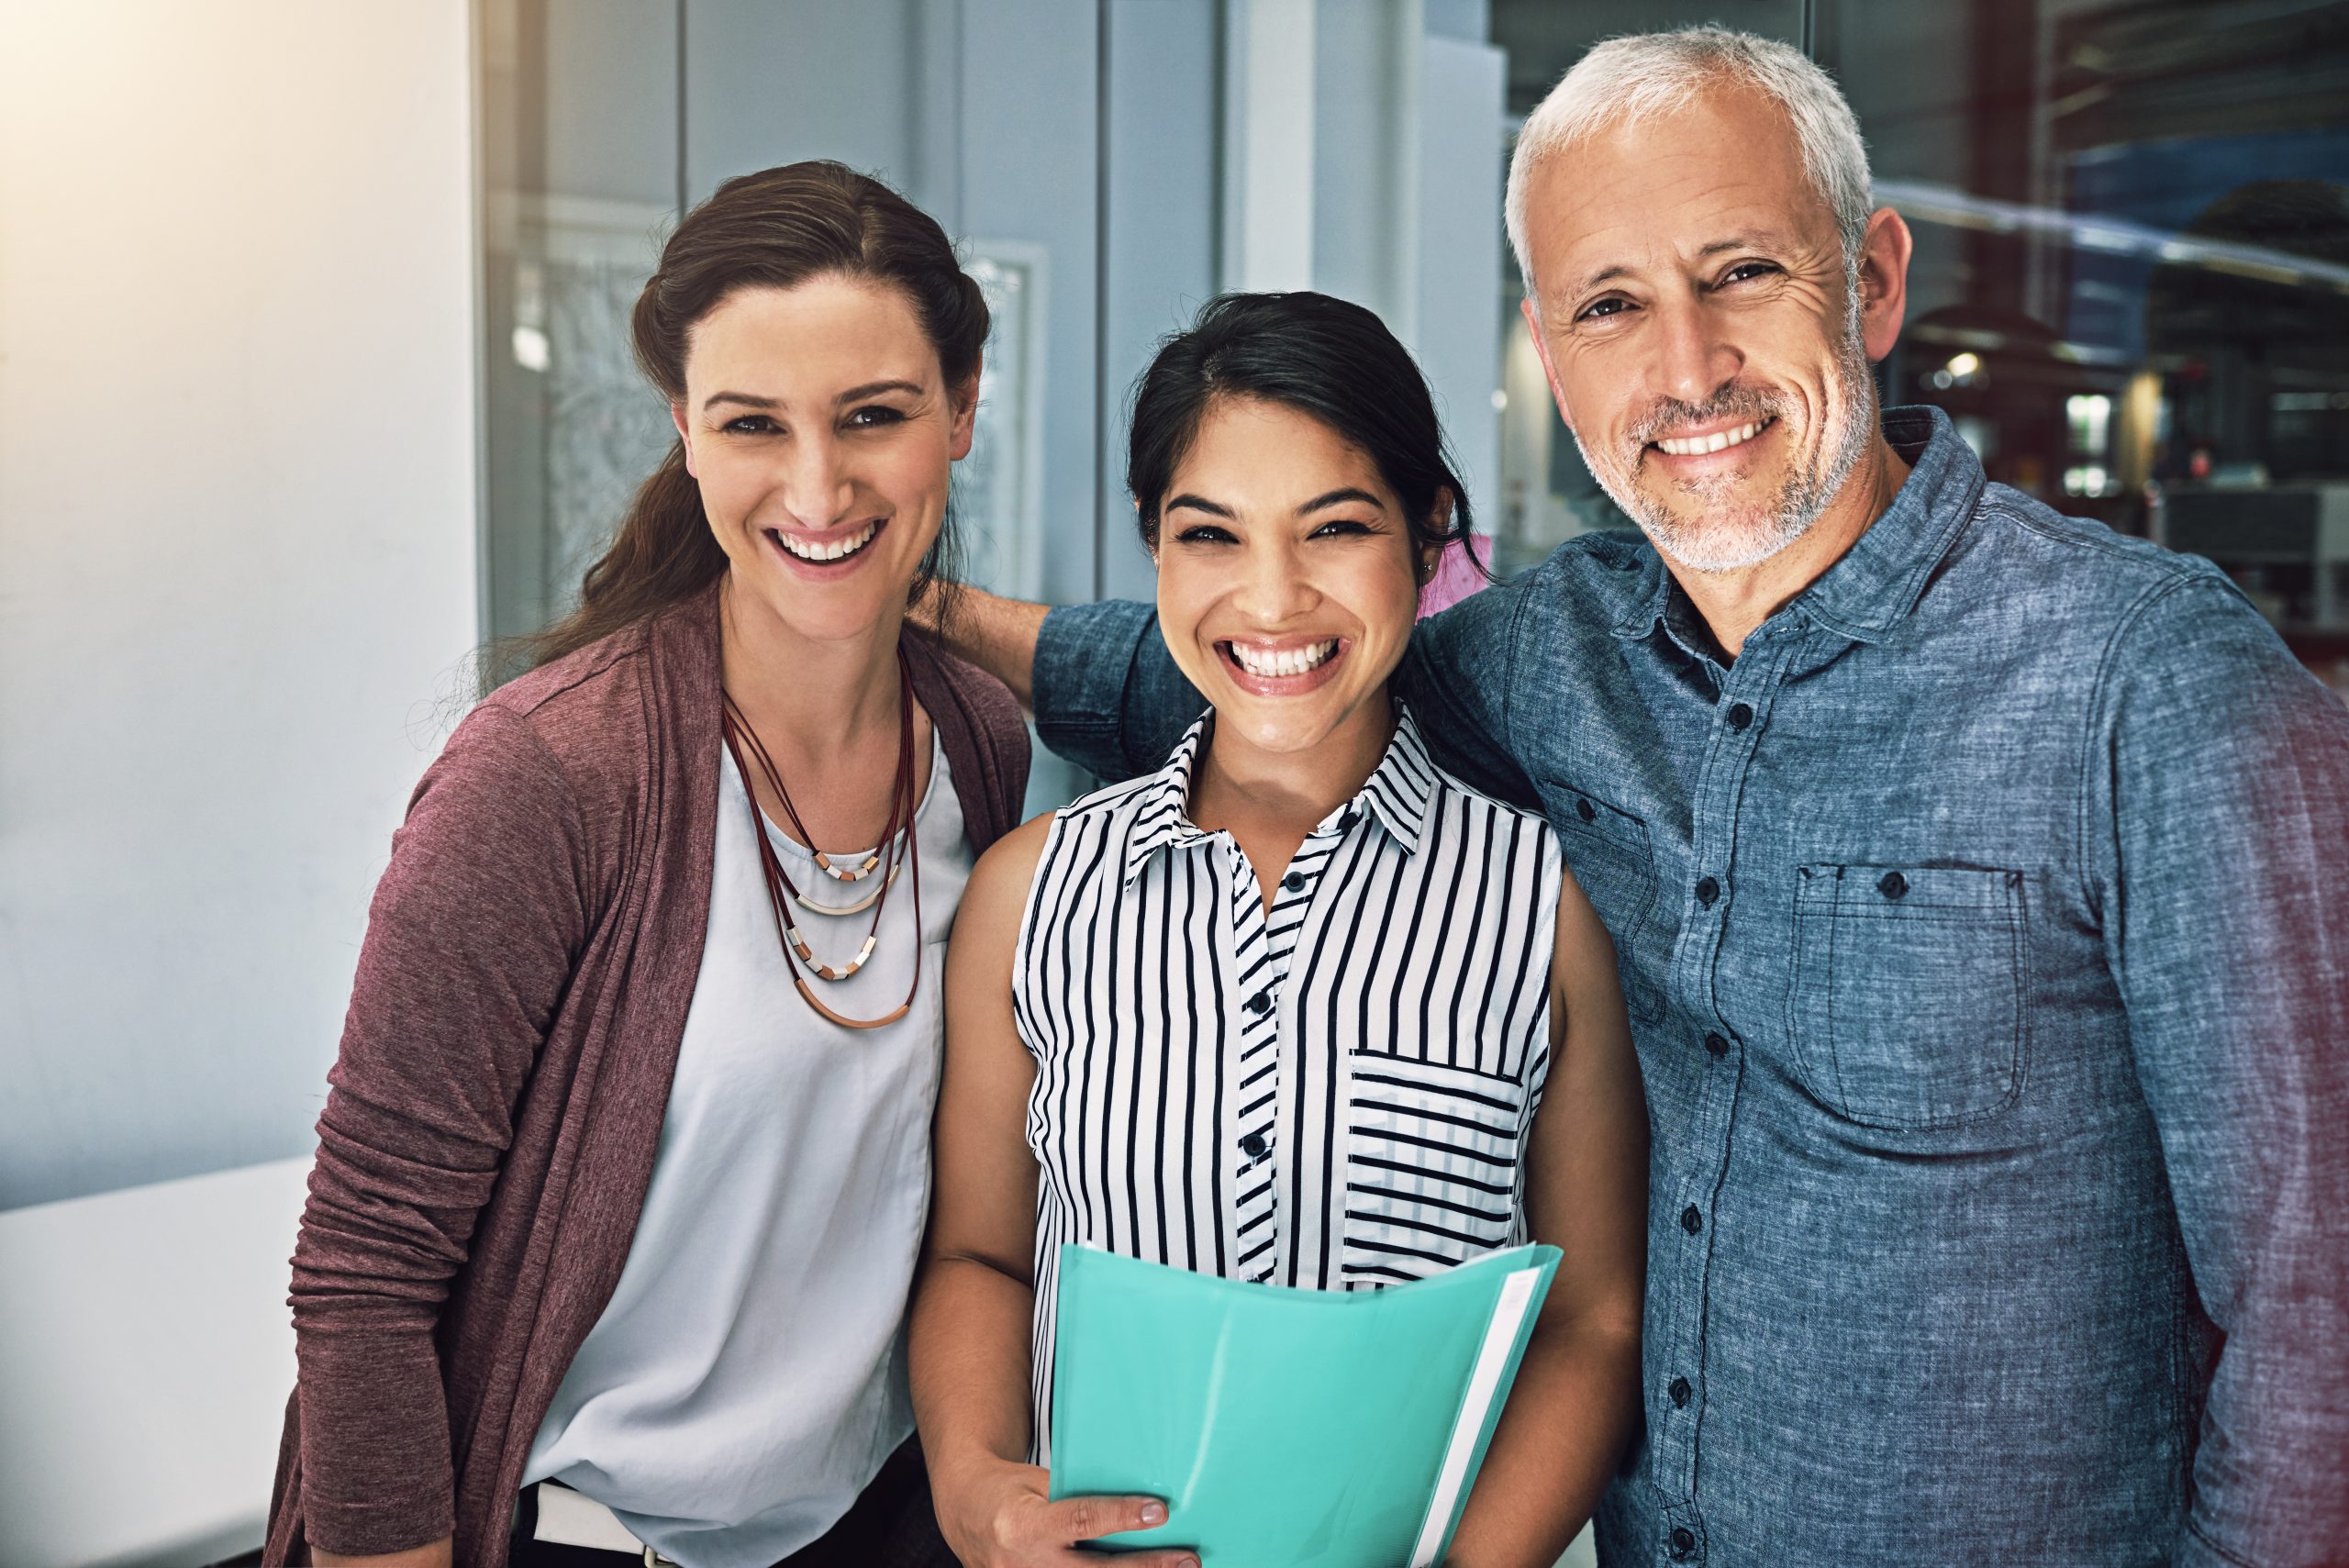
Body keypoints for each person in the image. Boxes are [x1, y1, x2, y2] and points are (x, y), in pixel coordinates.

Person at [920, 28, 2349, 1568]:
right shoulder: (1557, 653)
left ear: (1870, 284)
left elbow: (2318, 1294)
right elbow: (1278, 665)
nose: (1685, 368)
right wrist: (902, 608)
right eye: (1611, 303)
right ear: (1550, 344)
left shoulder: (2155, 679)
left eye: (1740, 273)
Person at [265, 161, 1030, 1568]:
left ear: (964, 408)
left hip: (876, 1517)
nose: (818, 484)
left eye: (875, 414)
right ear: (685, 431)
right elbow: (363, 1274)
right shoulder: (547, 776)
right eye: (754, 424)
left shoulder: (980, 741)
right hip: (585, 1533)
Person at [907, 291, 1646, 1568]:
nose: (1273, 597)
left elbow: (1595, 1318)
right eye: (1211, 534)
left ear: (1429, 539)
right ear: (1153, 547)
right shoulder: (1030, 896)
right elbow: (981, 1252)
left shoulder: (1548, 903)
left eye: (1336, 528)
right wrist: (979, 1496)